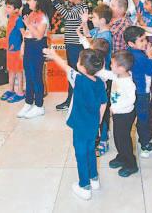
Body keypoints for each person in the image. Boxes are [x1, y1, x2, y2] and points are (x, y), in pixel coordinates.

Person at [44, 48, 107, 201]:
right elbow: (103, 103)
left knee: (81, 153)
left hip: (80, 125)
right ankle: (94, 178)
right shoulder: (100, 83)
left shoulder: (78, 79)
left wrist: (54, 55)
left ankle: (84, 186)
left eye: (78, 61)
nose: (76, 63)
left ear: (82, 68)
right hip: (93, 124)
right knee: (90, 150)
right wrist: (98, 121)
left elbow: (65, 67)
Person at [97, 50, 138, 177]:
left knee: (124, 139)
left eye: (112, 64)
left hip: (125, 115)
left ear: (121, 68)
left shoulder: (128, 83)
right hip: (117, 113)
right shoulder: (117, 75)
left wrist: (116, 108)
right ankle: (122, 156)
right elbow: (104, 73)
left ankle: (131, 164)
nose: (110, 66)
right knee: (117, 137)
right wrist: (92, 67)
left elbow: (131, 100)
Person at [79, 5, 113, 155]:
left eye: (94, 17)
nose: (92, 19)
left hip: (102, 78)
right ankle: (100, 134)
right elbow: (88, 35)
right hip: (96, 75)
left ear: (103, 20)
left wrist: (84, 39)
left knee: (102, 111)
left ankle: (103, 139)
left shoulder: (105, 37)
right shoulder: (99, 31)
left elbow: (91, 48)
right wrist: (84, 23)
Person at [51, 0, 89, 111]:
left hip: (76, 45)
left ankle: (72, 101)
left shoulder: (82, 7)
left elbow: (67, 15)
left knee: (74, 73)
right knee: (73, 72)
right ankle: (72, 100)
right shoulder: (77, 7)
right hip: (72, 44)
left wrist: (55, 2)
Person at [17, 0, 51, 119]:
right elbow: (27, 33)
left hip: (37, 46)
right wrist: (23, 47)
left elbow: (39, 35)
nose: (28, 2)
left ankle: (39, 105)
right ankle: (28, 102)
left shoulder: (43, 17)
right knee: (29, 76)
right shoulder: (31, 14)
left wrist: (28, 24)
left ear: (37, 1)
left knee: (36, 76)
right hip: (28, 46)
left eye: (30, 0)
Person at [124, 26, 152, 157]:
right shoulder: (141, 56)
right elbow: (151, 71)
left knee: (133, 116)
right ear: (131, 43)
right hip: (142, 92)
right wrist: (150, 56)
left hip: (131, 91)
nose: (145, 42)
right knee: (144, 119)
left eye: (145, 39)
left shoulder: (128, 52)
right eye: (141, 40)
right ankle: (145, 145)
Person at [1, 0, 25, 103]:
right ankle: (10, 90)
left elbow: (24, 34)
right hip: (9, 50)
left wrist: (22, 47)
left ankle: (20, 92)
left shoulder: (18, 20)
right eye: (6, 7)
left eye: (9, 7)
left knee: (19, 71)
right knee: (11, 70)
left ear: (16, 10)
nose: (6, 9)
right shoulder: (9, 17)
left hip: (17, 50)